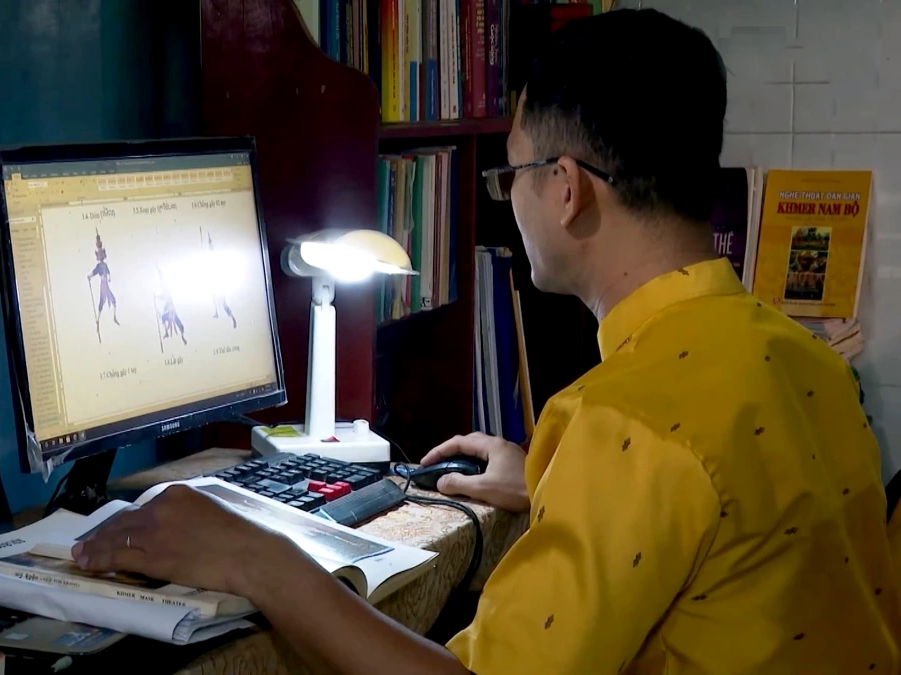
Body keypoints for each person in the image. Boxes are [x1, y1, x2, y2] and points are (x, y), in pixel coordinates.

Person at [71, 9, 901, 674]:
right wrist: (548, 482)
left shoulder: (625, 421)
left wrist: (259, 560)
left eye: (512, 174)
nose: (511, 199)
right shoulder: (805, 361)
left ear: (567, 190)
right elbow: (726, 532)